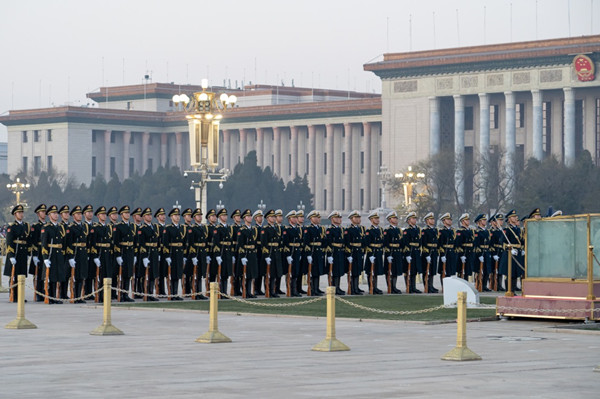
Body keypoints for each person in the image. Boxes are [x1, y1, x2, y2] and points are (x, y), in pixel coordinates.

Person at [4, 204, 30, 303]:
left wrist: (28, 253)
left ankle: (20, 295)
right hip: (15, 253)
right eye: (19, 213)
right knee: (14, 275)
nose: (21, 214)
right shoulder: (12, 227)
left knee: (22, 275)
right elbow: (9, 242)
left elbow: (27, 240)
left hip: (23, 253)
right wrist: (11, 255)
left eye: (22, 212)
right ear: (15, 214)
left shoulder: (25, 226)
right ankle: (13, 295)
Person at [40, 205, 66, 304]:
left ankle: (55, 297)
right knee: (50, 276)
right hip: (50, 254)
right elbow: (44, 243)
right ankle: (49, 297)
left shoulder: (60, 227)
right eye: (54, 213)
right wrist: (45, 258)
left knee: (57, 276)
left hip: (58, 254)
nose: (56, 215)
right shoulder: (46, 227)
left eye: (57, 213)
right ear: (49, 215)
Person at [162, 207, 188, 300]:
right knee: (171, 274)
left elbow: (185, 243)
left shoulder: (182, 228)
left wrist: (184, 255)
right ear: (171, 217)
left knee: (178, 274)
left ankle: (176, 294)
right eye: (175, 215)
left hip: (179, 254)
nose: (177, 217)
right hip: (172, 253)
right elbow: (165, 243)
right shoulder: (168, 228)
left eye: (178, 215)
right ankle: (171, 293)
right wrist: (167, 256)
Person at [67, 205, 90, 303]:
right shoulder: (71, 227)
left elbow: (88, 241)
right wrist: (70, 257)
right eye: (78, 214)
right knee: (75, 276)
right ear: (73, 216)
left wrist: (87, 253)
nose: (80, 216)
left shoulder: (85, 226)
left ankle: (79, 296)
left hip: (83, 253)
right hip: (75, 253)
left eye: (81, 214)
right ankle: (74, 296)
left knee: (81, 275)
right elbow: (68, 243)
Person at [113, 205, 136, 302]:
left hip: (130, 252)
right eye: (125, 213)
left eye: (128, 213)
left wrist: (134, 254)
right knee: (121, 275)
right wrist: (118, 255)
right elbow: (116, 242)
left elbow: (134, 241)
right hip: (123, 252)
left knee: (128, 275)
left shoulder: (132, 226)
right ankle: (120, 294)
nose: (127, 214)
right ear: (122, 214)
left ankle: (126, 294)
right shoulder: (118, 226)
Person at [91, 206, 113, 302]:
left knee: (108, 275)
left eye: (105, 214)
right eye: (102, 214)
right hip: (100, 253)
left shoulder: (108, 227)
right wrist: (95, 257)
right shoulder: (95, 228)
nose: (104, 216)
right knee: (100, 276)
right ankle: (99, 296)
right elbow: (92, 243)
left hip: (107, 254)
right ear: (98, 215)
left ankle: (106, 295)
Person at [138, 207, 160, 301]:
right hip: (147, 253)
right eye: (147, 215)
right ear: (143, 217)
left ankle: (151, 293)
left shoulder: (155, 227)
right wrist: (144, 257)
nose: (150, 216)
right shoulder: (142, 228)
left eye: (150, 215)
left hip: (154, 252)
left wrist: (157, 252)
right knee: (145, 275)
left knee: (153, 274)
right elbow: (141, 243)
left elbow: (157, 241)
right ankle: (145, 293)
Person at [236, 209, 259, 298]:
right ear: (244, 218)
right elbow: (240, 245)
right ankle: (245, 291)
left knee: (251, 274)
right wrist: (242, 257)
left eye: (250, 216)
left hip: (252, 254)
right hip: (245, 254)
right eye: (248, 216)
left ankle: (249, 292)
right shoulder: (241, 230)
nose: (250, 218)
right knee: (244, 275)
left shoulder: (254, 229)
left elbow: (255, 243)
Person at [261, 209, 284, 297]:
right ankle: (268, 290)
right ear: (267, 218)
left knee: (274, 273)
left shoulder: (277, 228)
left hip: (275, 253)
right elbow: (264, 243)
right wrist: (266, 255)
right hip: (269, 253)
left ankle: (272, 290)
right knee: (268, 274)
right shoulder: (265, 229)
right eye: (272, 217)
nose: (274, 218)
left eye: (274, 217)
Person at [500, 209, 524, 292]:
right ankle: (509, 291)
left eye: (515, 216)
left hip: (517, 253)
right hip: (509, 254)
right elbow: (502, 242)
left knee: (515, 274)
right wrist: (509, 249)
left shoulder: (518, 229)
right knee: (509, 274)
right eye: (513, 217)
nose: (515, 218)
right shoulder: (507, 230)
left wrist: (522, 249)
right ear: (509, 219)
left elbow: (521, 241)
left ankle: (513, 291)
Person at [211, 208, 234, 296]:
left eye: (226, 215)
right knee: (220, 274)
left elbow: (230, 242)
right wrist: (217, 255)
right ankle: (221, 292)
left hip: (227, 253)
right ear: (220, 217)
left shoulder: (228, 228)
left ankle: (225, 292)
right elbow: (216, 243)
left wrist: (232, 254)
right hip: (221, 253)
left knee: (226, 275)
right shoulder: (217, 228)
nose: (225, 217)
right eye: (223, 215)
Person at [303, 210, 326, 296]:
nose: (318, 219)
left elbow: (323, 241)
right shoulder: (308, 229)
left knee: (318, 271)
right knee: (313, 271)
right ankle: (312, 289)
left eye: (319, 217)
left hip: (319, 252)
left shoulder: (321, 229)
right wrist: (309, 254)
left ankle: (317, 288)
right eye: (316, 217)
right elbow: (306, 242)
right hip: (312, 252)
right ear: (311, 219)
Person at [188, 208, 209, 300]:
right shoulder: (192, 228)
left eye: (200, 215)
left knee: (200, 274)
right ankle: (195, 292)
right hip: (196, 253)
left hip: (202, 253)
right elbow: (191, 243)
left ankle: (199, 292)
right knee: (195, 274)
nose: (200, 217)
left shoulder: (203, 228)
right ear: (194, 217)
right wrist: (193, 256)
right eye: (198, 215)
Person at [28, 204, 47, 302]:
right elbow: (33, 241)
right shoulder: (35, 226)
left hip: (45, 251)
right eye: (42, 212)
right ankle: (38, 292)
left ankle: (44, 291)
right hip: (38, 252)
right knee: (38, 274)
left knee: (45, 274)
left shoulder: (47, 225)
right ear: (38, 214)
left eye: (44, 211)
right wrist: (34, 255)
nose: (44, 213)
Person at [344, 210, 366, 295]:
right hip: (352, 252)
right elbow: (347, 242)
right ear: (351, 219)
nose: (358, 219)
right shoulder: (348, 229)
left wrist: (363, 250)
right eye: (356, 218)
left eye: (359, 217)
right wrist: (349, 254)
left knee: (358, 270)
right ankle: (352, 288)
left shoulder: (362, 229)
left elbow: (363, 241)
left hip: (359, 252)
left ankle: (356, 287)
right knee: (352, 271)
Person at [325, 210, 346, 295]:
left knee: (339, 271)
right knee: (334, 271)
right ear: (332, 219)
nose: (339, 219)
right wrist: (329, 255)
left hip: (340, 252)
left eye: (340, 218)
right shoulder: (330, 230)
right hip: (334, 252)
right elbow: (328, 243)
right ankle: (333, 287)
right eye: (337, 218)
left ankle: (338, 287)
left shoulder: (341, 229)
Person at [283, 210, 302, 297]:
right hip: (290, 252)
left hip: (297, 252)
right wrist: (287, 255)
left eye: (295, 217)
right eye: (293, 218)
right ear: (289, 219)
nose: (295, 219)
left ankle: (294, 290)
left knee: (295, 272)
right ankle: (290, 289)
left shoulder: (298, 229)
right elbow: (285, 243)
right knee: (289, 272)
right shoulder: (287, 230)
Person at [383, 210, 402, 294]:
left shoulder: (398, 230)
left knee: (395, 270)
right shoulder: (387, 230)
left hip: (397, 252)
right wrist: (388, 254)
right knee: (389, 270)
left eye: (396, 218)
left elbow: (401, 242)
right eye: (394, 218)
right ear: (390, 220)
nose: (396, 220)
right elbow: (385, 242)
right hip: (390, 252)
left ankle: (394, 286)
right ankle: (390, 286)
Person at [402, 211, 422, 294]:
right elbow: (405, 243)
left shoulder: (418, 229)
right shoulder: (407, 231)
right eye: (413, 218)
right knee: (408, 271)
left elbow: (420, 241)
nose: (415, 220)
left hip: (416, 252)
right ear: (409, 220)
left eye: (415, 218)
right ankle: (408, 286)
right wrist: (407, 255)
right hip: (410, 252)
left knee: (414, 271)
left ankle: (413, 287)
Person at [365, 210, 384, 295]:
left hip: (378, 252)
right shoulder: (369, 230)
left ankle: (375, 286)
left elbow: (382, 241)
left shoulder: (380, 230)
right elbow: (367, 243)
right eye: (375, 219)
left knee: (376, 271)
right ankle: (371, 287)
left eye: (378, 218)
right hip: (372, 252)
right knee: (370, 271)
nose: (377, 220)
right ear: (371, 220)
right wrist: (370, 253)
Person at [420, 212, 439, 293]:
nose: (433, 220)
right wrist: (427, 254)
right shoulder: (425, 231)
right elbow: (424, 243)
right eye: (431, 219)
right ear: (427, 220)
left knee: (432, 270)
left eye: (433, 219)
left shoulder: (435, 230)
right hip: (427, 252)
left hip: (434, 252)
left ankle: (431, 285)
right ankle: (426, 286)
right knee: (426, 270)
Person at [473, 214, 491, 292]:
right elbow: (476, 244)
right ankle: (478, 284)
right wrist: (480, 254)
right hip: (480, 253)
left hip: (486, 252)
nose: (485, 221)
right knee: (479, 270)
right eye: (483, 220)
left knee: (487, 270)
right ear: (479, 222)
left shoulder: (487, 231)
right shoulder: (477, 231)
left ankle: (484, 285)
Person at [438, 212, 456, 288]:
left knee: (450, 271)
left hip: (451, 252)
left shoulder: (453, 231)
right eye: (448, 220)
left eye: (450, 220)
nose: (450, 221)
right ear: (444, 221)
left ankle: (449, 286)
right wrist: (442, 255)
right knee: (444, 271)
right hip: (445, 252)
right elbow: (440, 244)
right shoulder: (441, 231)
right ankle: (444, 286)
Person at [454, 213, 474, 280]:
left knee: (468, 271)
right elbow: (458, 244)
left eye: (468, 220)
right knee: (461, 271)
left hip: (469, 253)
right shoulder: (460, 231)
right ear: (462, 221)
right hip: (463, 254)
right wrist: (462, 255)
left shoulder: (471, 231)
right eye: (466, 220)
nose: (468, 221)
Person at [489, 213, 505, 291]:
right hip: (494, 252)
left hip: (500, 251)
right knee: (493, 270)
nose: (501, 222)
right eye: (499, 220)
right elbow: (490, 244)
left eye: (502, 220)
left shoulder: (501, 231)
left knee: (500, 270)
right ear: (494, 222)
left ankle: (499, 285)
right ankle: (492, 285)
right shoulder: (491, 231)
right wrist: (494, 254)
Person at [252, 210, 265, 295]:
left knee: (261, 271)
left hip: (263, 251)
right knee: (256, 271)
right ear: (256, 218)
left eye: (261, 217)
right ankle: (256, 288)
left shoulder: (263, 228)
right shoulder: (254, 229)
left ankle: (259, 288)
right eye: (259, 217)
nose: (261, 218)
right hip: (257, 251)